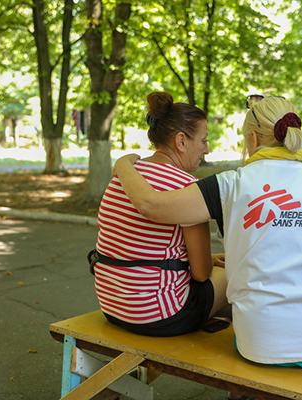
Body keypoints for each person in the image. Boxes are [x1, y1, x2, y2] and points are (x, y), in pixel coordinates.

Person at [111, 95, 302, 367]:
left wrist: (123, 164)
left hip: (261, 344)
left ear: (253, 139)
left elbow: (150, 205)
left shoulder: (227, 185)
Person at [91, 91, 228, 337]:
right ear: (182, 141)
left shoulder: (124, 175)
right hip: (160, 315)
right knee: (237, 273)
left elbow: (142, 244)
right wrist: (207, 260)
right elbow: (200, 272)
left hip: (112, 305)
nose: (206, 150)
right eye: (204, 141)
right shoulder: (188, 187)